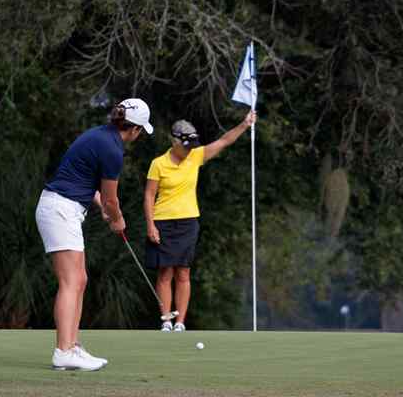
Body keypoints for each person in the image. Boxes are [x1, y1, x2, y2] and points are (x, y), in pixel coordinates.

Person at [35, 98, 154, 370]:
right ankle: (63, 351)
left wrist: (102, 206)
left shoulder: (100, 135)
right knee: (71, 281)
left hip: (65, 208)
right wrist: (117, 220)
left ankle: (72, 347)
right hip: (60, 209)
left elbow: (89, 183)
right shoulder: (113, 149)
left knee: (80, 279)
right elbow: (112, 200)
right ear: (134, 129)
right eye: (139, 132)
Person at [144, 110, 257, 332]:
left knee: (183, 271)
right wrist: (150, 225)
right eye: (185, 145)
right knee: (165, 272)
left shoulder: (195, 156)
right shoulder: (158, 164)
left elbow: (224, 141)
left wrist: (245, 124)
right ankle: (166, 320)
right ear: (174, 141)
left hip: (188, 221)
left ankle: (180, 322)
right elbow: (149, 195)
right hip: (163, 221)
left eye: (191, 145)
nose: (189, 149)